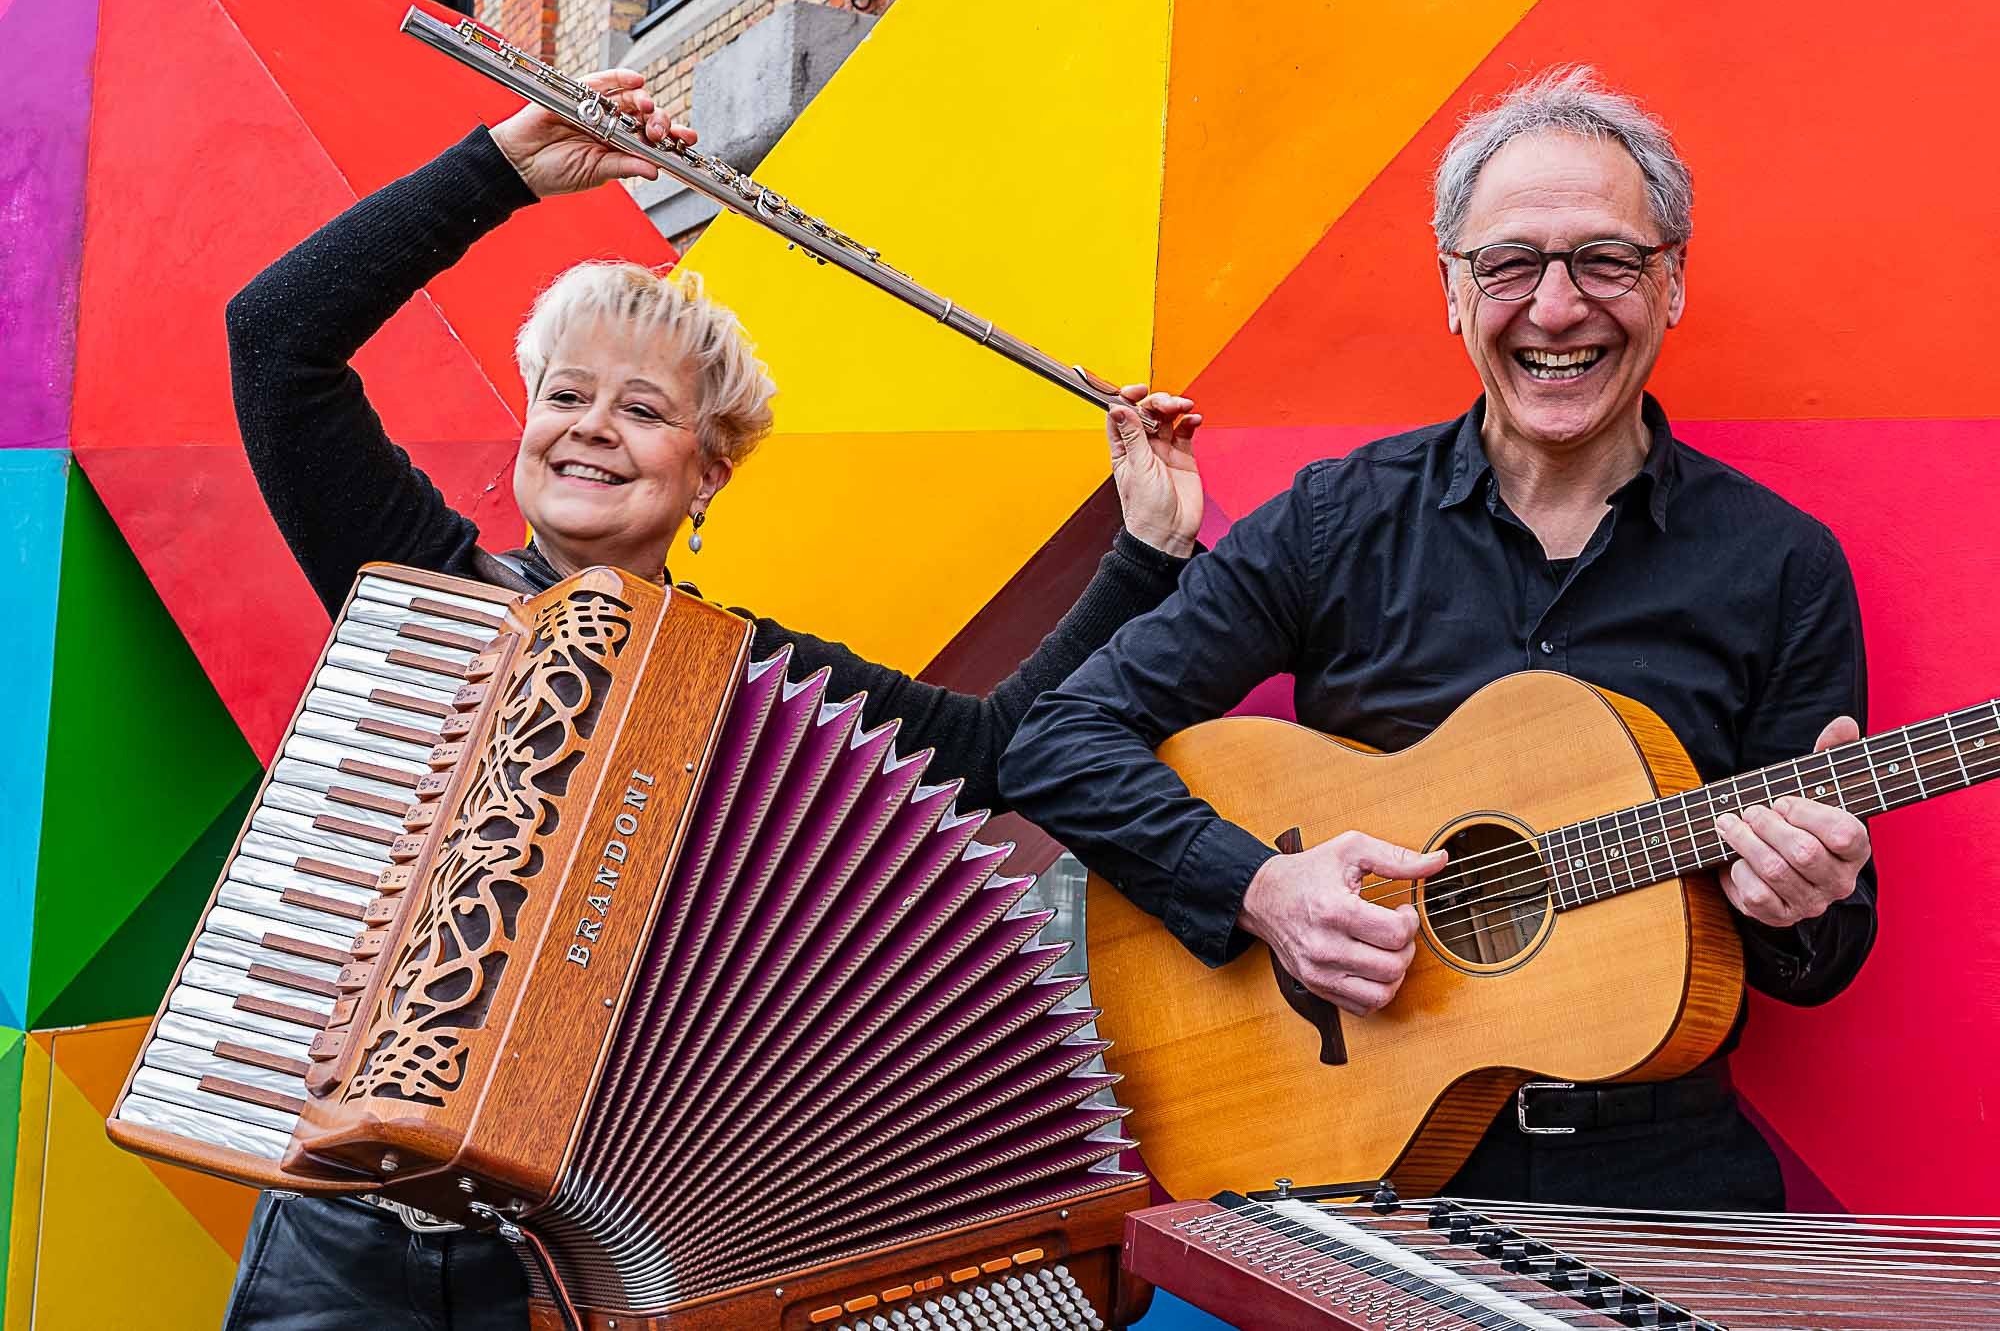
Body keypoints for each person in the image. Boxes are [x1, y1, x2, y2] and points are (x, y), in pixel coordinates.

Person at [220, 71, 1203, 1331]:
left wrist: (1146, 548)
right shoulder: (433, 586)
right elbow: (276, 340)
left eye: (642, 411)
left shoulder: (747, 678)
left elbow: (1001, 748)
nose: (591, 429)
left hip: (592, 1263)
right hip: (343, 1243)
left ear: (707, 475)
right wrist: (501, 169)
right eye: (565, 395)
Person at [1000, 65, 1876, 1211]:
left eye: (1605, 261)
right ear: (1453, 292)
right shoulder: (1334, 523)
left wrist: (1799, 901)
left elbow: (1821, 956)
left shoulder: (1781, 565)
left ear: (1668, 284)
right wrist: (1258, 886)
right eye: (1507, 264)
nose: (1553, 309)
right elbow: (1054, 739)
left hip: (1660, 1180)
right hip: (1356, 1173)